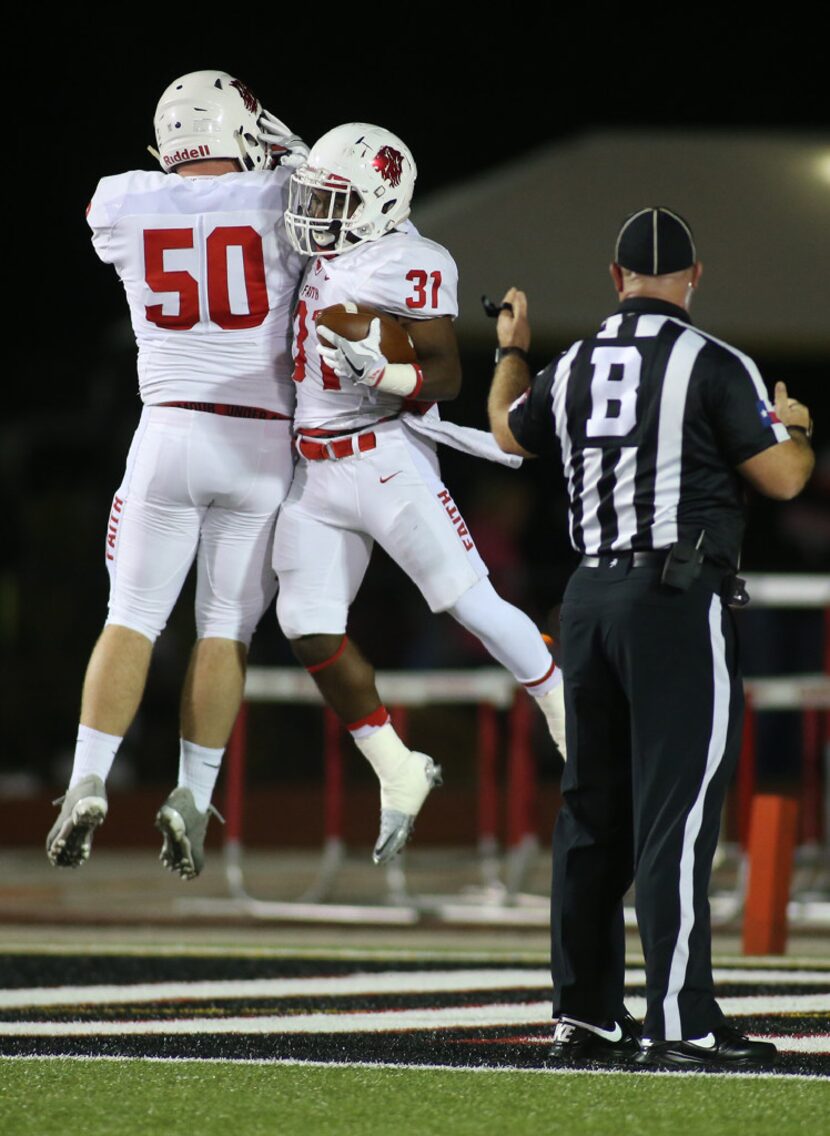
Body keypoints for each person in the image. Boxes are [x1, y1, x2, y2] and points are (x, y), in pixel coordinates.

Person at [487, 207, 815, 1068]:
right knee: (677, 815)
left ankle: (586, 1014)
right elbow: (782, 478)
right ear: (695, 277)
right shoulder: (713, 362)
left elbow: (504, 430)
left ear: (615, 277)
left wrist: (510, 349)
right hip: (673, 598)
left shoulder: (573, 366)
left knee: (591, 816)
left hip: (588, 600)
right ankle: (681, 1021)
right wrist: (801, 428)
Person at [275, 122, 567, 864]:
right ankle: (397, 769)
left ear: (379, 204)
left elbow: (443, 376)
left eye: (332, 199)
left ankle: (568, 711)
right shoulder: (342, 236)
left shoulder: (408, 261)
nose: (313, 210)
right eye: (316, 194)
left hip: (383, 459)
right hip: (317, 469)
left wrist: (382, 374)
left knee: (468, 603)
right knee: (305, 622)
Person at [46, 70, 307, 880]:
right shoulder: (281, 197)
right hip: (260, 443)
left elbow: (153, 206)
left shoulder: (120, 201)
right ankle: (192, 793)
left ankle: (87, 776)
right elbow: (333, 195)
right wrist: (285, 150)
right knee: (223, 628)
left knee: (131, 617)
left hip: (164, 435)